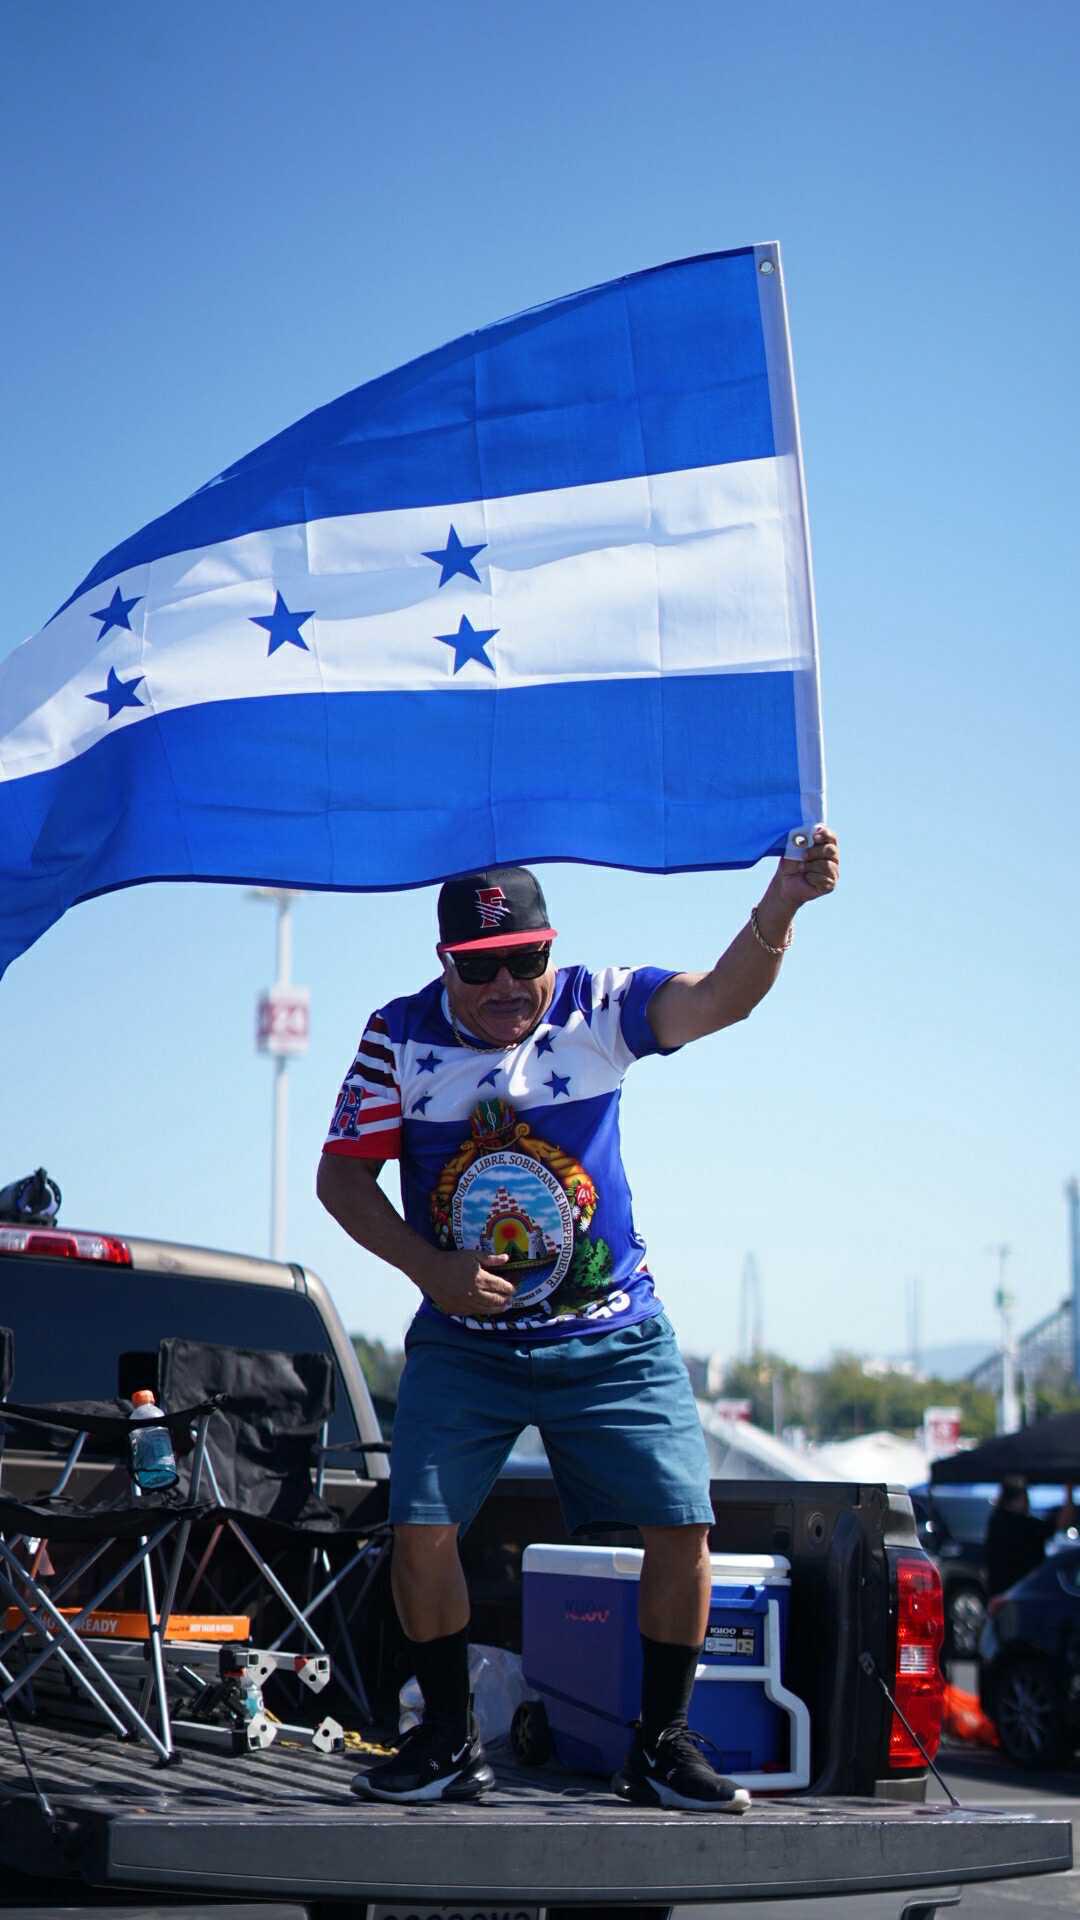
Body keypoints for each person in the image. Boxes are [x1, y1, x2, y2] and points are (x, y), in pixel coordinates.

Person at [317, 834, 839, 1809]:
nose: (510, 984)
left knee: (683, 1523)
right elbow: (341, 1178)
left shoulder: (600, 1002)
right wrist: (430, 1267)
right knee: (419, 1526)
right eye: (483, 968)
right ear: (446, 965)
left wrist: (783, 905)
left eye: (527, 959)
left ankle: (660, 1745)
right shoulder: (397, 1035)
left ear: (552, 953)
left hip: (612, 1335)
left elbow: (719, 997)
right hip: (465, 1343)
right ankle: (448, 1741)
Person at [984, 1476, 1077, 1598]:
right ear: (1017, 1500)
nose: (1028, 1502)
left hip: (1001, 1592)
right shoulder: (1022, 1525)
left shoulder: (996, 1522)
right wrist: (1069, 1491)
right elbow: (1062, 1523)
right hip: (1023, 1593)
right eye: (1025, 1498)